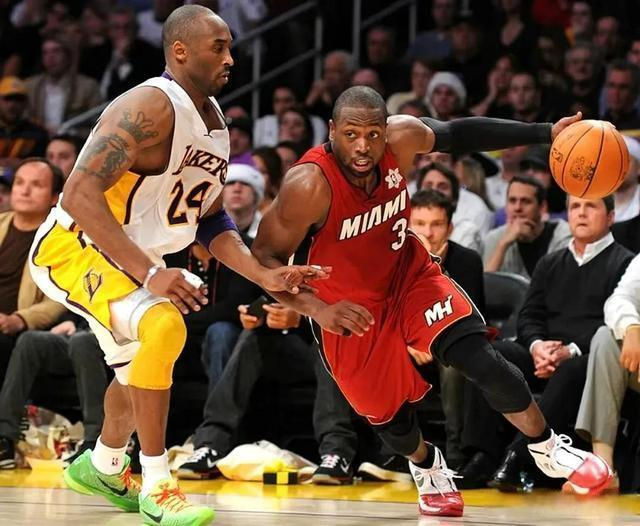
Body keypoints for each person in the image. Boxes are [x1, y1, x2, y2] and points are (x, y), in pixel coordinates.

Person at [250, 85, 612, 518]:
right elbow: (263, 259)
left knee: (478, 357)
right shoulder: (308, 184)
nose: (363, 147)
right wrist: (317, 310)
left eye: (372, 134)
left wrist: (546, 132)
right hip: (347, 309)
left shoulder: (402, 138)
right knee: (389, 420)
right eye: (350, 134)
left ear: (386, 130)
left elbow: (459, 134)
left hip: (409, 278)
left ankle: (546, 446)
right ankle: (426, 465)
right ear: (331, 130)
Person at [27, 6, 327, 526]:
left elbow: (209, 219)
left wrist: (262, 275)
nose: (230, 58)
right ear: (181, 50)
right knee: (164, 328)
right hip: (76, 248)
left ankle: (103, 465)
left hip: (129, 261)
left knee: (139, 369)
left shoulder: (214, 122)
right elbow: (77, 192)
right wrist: (150, 273)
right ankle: (158, 484)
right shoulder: (148, 104)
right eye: (219, 47)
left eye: (230, 47)